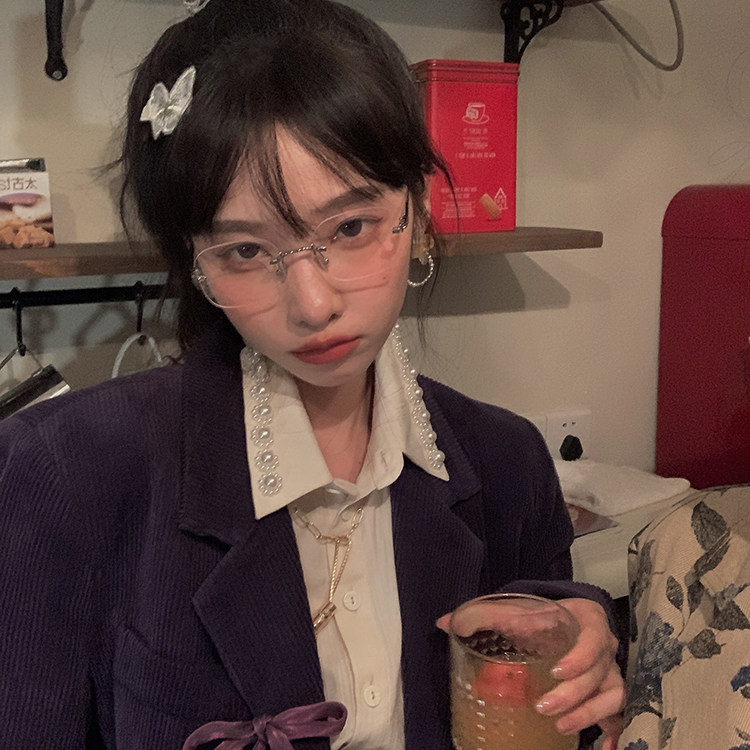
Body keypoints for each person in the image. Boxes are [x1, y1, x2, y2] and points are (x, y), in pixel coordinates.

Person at [0, 0, 625, 747]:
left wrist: (581, 640)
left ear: (418, 207)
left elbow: (543, 659)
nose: (313, 304)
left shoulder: (507, 461)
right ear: (193, 261)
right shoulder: (67, 473)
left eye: (352, 227)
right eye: (244, 251)